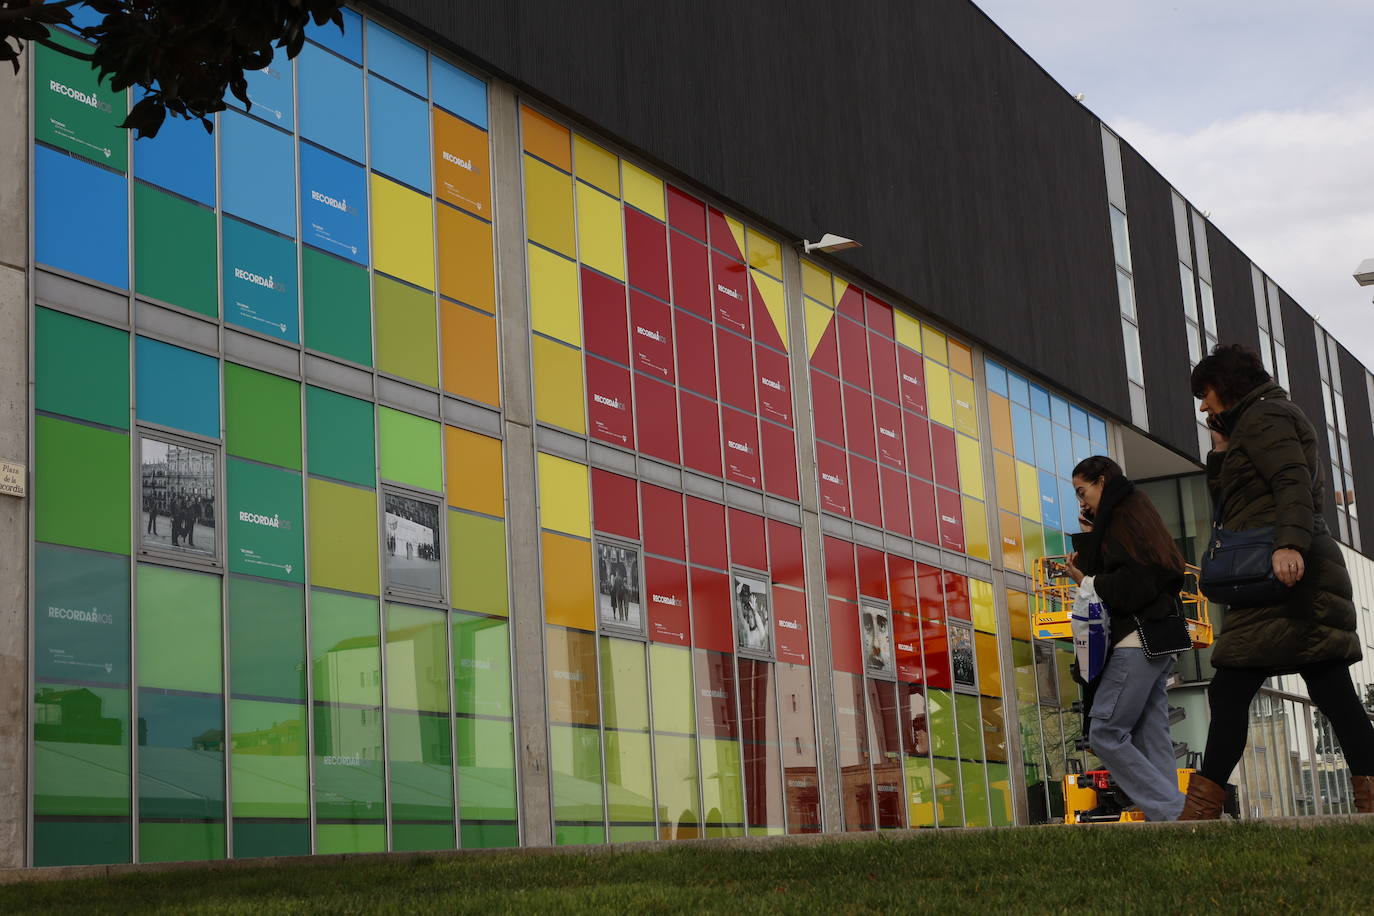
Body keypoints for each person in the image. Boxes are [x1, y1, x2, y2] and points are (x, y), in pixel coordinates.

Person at [1180, 343, 1374, 819]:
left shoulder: (1267, 418)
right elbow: (1235, 504)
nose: (1203, 405)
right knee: (1329, 691)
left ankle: (1201, 812)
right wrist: (1222, 451)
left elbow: (1292, 481)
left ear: (1225, 384)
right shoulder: (1252, 424)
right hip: (1280, 577)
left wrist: (1289, 544)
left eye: (1205, 392)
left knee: (1235, 692)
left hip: (1288, 574)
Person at [1064, 455, 1187, 821]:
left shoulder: (1120, 518)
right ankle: (1173, 820)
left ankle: (1174, 811)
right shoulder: (1136, 512)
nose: (1081, 501)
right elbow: (1129, 569)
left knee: (1104, 731)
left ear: (1101, 481)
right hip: (1158, 637)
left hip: (1135, 638)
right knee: (1152, 733)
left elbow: (1129, 583)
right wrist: (1091, 538)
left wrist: (1086, 582)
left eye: (1082, 491)